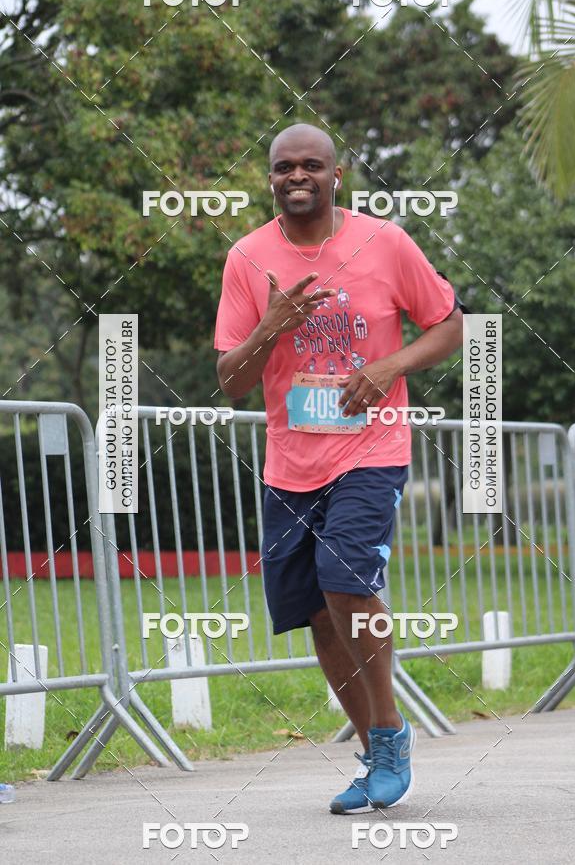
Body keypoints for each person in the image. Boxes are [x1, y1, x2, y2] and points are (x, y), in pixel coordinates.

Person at [214, 123, 463, 812]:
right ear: (269, 178)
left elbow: (448, 323)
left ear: (336, 173)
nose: (298, 177)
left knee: (346, 582)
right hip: (290, 462)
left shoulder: (383, 242)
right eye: (284, 168)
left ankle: (390, 734)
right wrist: (273, 326)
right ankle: (374, 742)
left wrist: (390, 366)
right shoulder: (248, 257)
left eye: (311, 166)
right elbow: (232, 379)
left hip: (371, 450)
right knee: (318, 616)